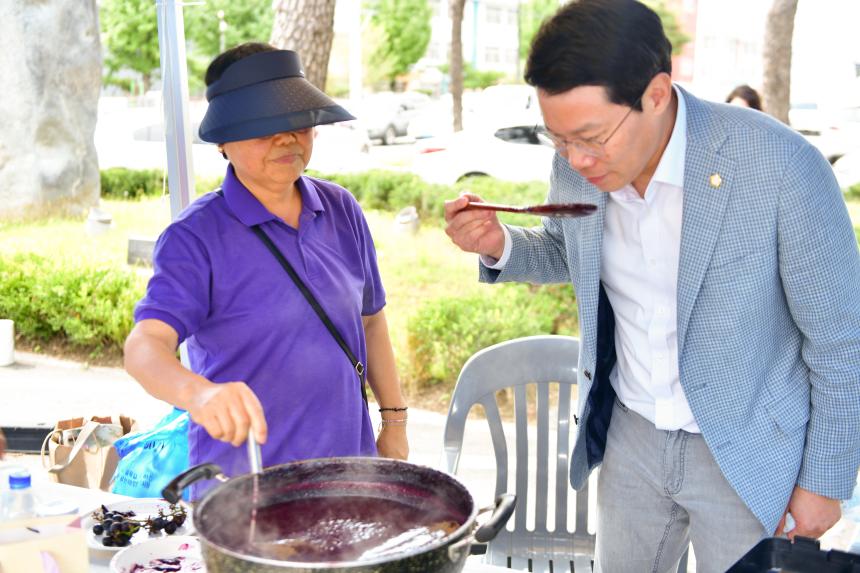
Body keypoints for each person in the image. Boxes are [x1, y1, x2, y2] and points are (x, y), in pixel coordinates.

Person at [444, 1, 860, 571]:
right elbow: (572, 253)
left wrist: (824, 481)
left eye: (590, 137)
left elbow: (843, 340)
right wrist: (497, 244)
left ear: (657, 94)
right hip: (631, 437)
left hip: (746, 448)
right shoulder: (577, 159)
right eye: (559, 139)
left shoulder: (782, 167)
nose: (577, 160)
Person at [124, 43, 408, 498]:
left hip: (349, 474)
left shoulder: (341, 209)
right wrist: (199, 395)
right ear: (223, 141)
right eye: (262, 127)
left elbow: (371, 321)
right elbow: (144, 348)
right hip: (244, 490)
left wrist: (393, 421)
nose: (285, 138)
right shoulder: (194, 237)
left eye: (296, 121)